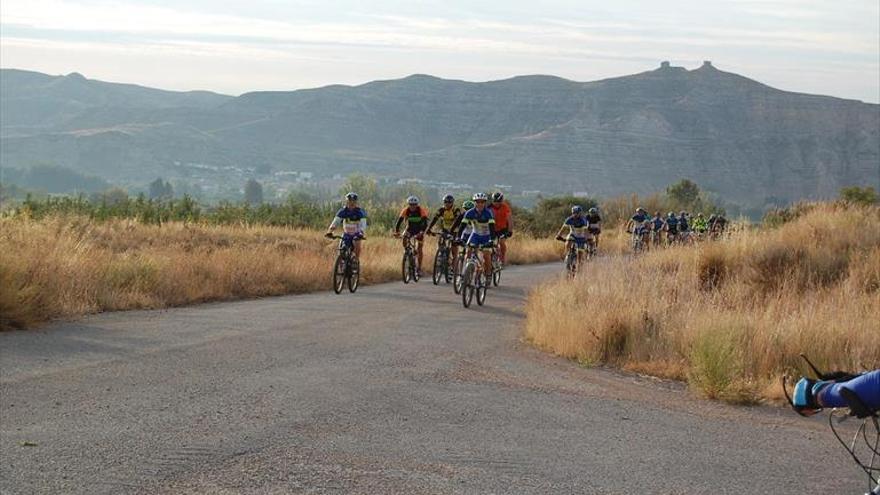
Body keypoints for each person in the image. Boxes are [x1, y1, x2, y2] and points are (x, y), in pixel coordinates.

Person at [792, 369, 879, 417]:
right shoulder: (827, 387)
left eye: (806, 413)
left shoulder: (823, 397)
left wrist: (861, 411)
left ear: (806, 409)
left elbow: (843, 391)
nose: (810, 414)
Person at [462, 193, 496, 284]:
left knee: (486, 255)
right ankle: (467, 272)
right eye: (477, 202)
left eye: (482, 202)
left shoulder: (488, 213)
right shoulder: (470, 213)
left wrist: (492, 240)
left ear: (485, 203)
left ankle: (488, 274)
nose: (480, 204)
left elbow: (492, 228)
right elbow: (462, 226)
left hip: (487, 236)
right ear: (475, 203)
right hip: (475, 235)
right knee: (468, 252)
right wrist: (459, 238)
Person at [393, 196, 429, 275]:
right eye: (411, 204)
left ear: (417, 204)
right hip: (410, 229)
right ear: (408, 204)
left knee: (419, 248)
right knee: (404, 237)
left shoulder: (421, 210)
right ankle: (407, 251)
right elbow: (399, 222)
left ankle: (419, 268)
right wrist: (397, 231)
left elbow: (425, 223)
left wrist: (422, 232)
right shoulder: (406, 210)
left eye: (414, 204)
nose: (413, 206)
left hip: (419, 230)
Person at [325, 192, 367, 258]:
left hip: (357, 234)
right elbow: (335, 222)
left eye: (354, 201)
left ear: (356, 202)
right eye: (350, 201)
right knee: (341, 249)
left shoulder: (360, 212)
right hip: (346, 234)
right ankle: (340, 265)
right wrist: (330, 232)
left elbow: (363, 224)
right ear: (347, 202)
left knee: (357, 247)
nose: (352, 203)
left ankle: (356, 262)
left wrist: (361, 233)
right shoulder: (343, 211)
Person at [427, 194, 462, 261]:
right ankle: (441, 254)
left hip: (454, 230)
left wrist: (455, 231)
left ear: (452, 203)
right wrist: (429, 228)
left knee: (454, 249)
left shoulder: (456, 210)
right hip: (445, 229)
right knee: (441, 240)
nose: (447, 204)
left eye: (449, 202)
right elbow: (435, 219)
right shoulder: (441, 210)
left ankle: (454, 266)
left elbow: (459, 220)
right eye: (445, 202)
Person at [488, 191, 512, 265]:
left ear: (501, 201)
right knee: (490, 243)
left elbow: (509, 219)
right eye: (495, 201)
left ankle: (502, 258)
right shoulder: (489, 207)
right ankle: (491, 258)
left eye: (499, 202)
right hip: (492, 229)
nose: (497, 203)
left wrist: (510, 231)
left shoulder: (505, 207)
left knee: (501, 242)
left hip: (503, 228)